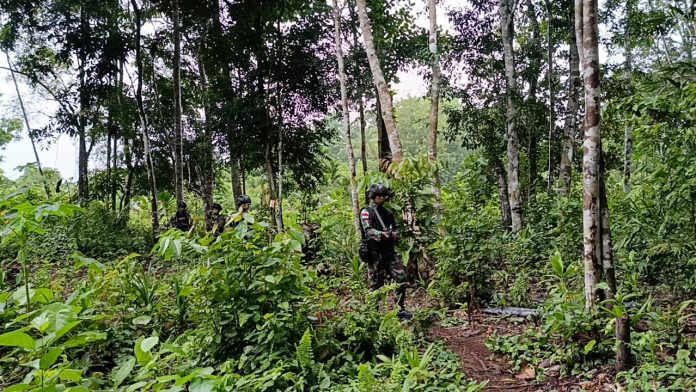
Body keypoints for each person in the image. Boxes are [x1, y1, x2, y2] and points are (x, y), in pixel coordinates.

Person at [359, 183, 411, 320]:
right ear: (373, 197)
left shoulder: (388, 213)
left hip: (389, 252)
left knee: (401, 278)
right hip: (374, 254)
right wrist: (381, 234)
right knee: (376, 285)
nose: (381, 198)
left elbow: (396, 228)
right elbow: (368, 230)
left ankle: (399, 309)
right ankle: (374, 314)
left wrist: (394, 234)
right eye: (379, 195)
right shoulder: (366, 212)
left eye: (383, 195)